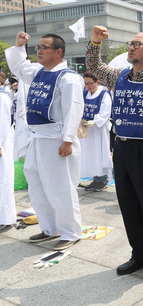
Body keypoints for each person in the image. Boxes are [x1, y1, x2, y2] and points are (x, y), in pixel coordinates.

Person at [86, 25, 143, 284]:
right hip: (123, 147)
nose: (131, 47)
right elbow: (95, 65)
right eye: (130, 43)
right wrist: (95, 41)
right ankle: (139, 254)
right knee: (128, 204)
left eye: (137, 44)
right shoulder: (119, 76)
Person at [5, 32, 84, 250]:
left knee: (60, 187)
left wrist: (68, 140)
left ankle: (70, 232)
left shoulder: (68, 77)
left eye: (44, 47)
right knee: (36, 185)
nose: (39, 51)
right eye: (38, 47)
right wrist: (19, 45)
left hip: (57, 139)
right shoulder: (39, 72)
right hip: (37, 138)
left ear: (58, 52)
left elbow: (73, 109)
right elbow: (19, 68)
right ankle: (50, 228)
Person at [80, 72, 113, 191]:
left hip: (98, 130)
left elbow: (106, 112)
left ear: (97, 82)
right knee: (89, 154)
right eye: (86, 83)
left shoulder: (104, 94)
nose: (88, 86)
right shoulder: (84, 94)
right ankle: (95, 179)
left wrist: (95, 122)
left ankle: (102, 179)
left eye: (91, 83)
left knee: (100, 153)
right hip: (86, 130)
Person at [0, 87, 15, 231]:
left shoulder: (2, 97)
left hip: (2, 145)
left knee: (3, 181)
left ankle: (5, 218)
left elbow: (3, 123)